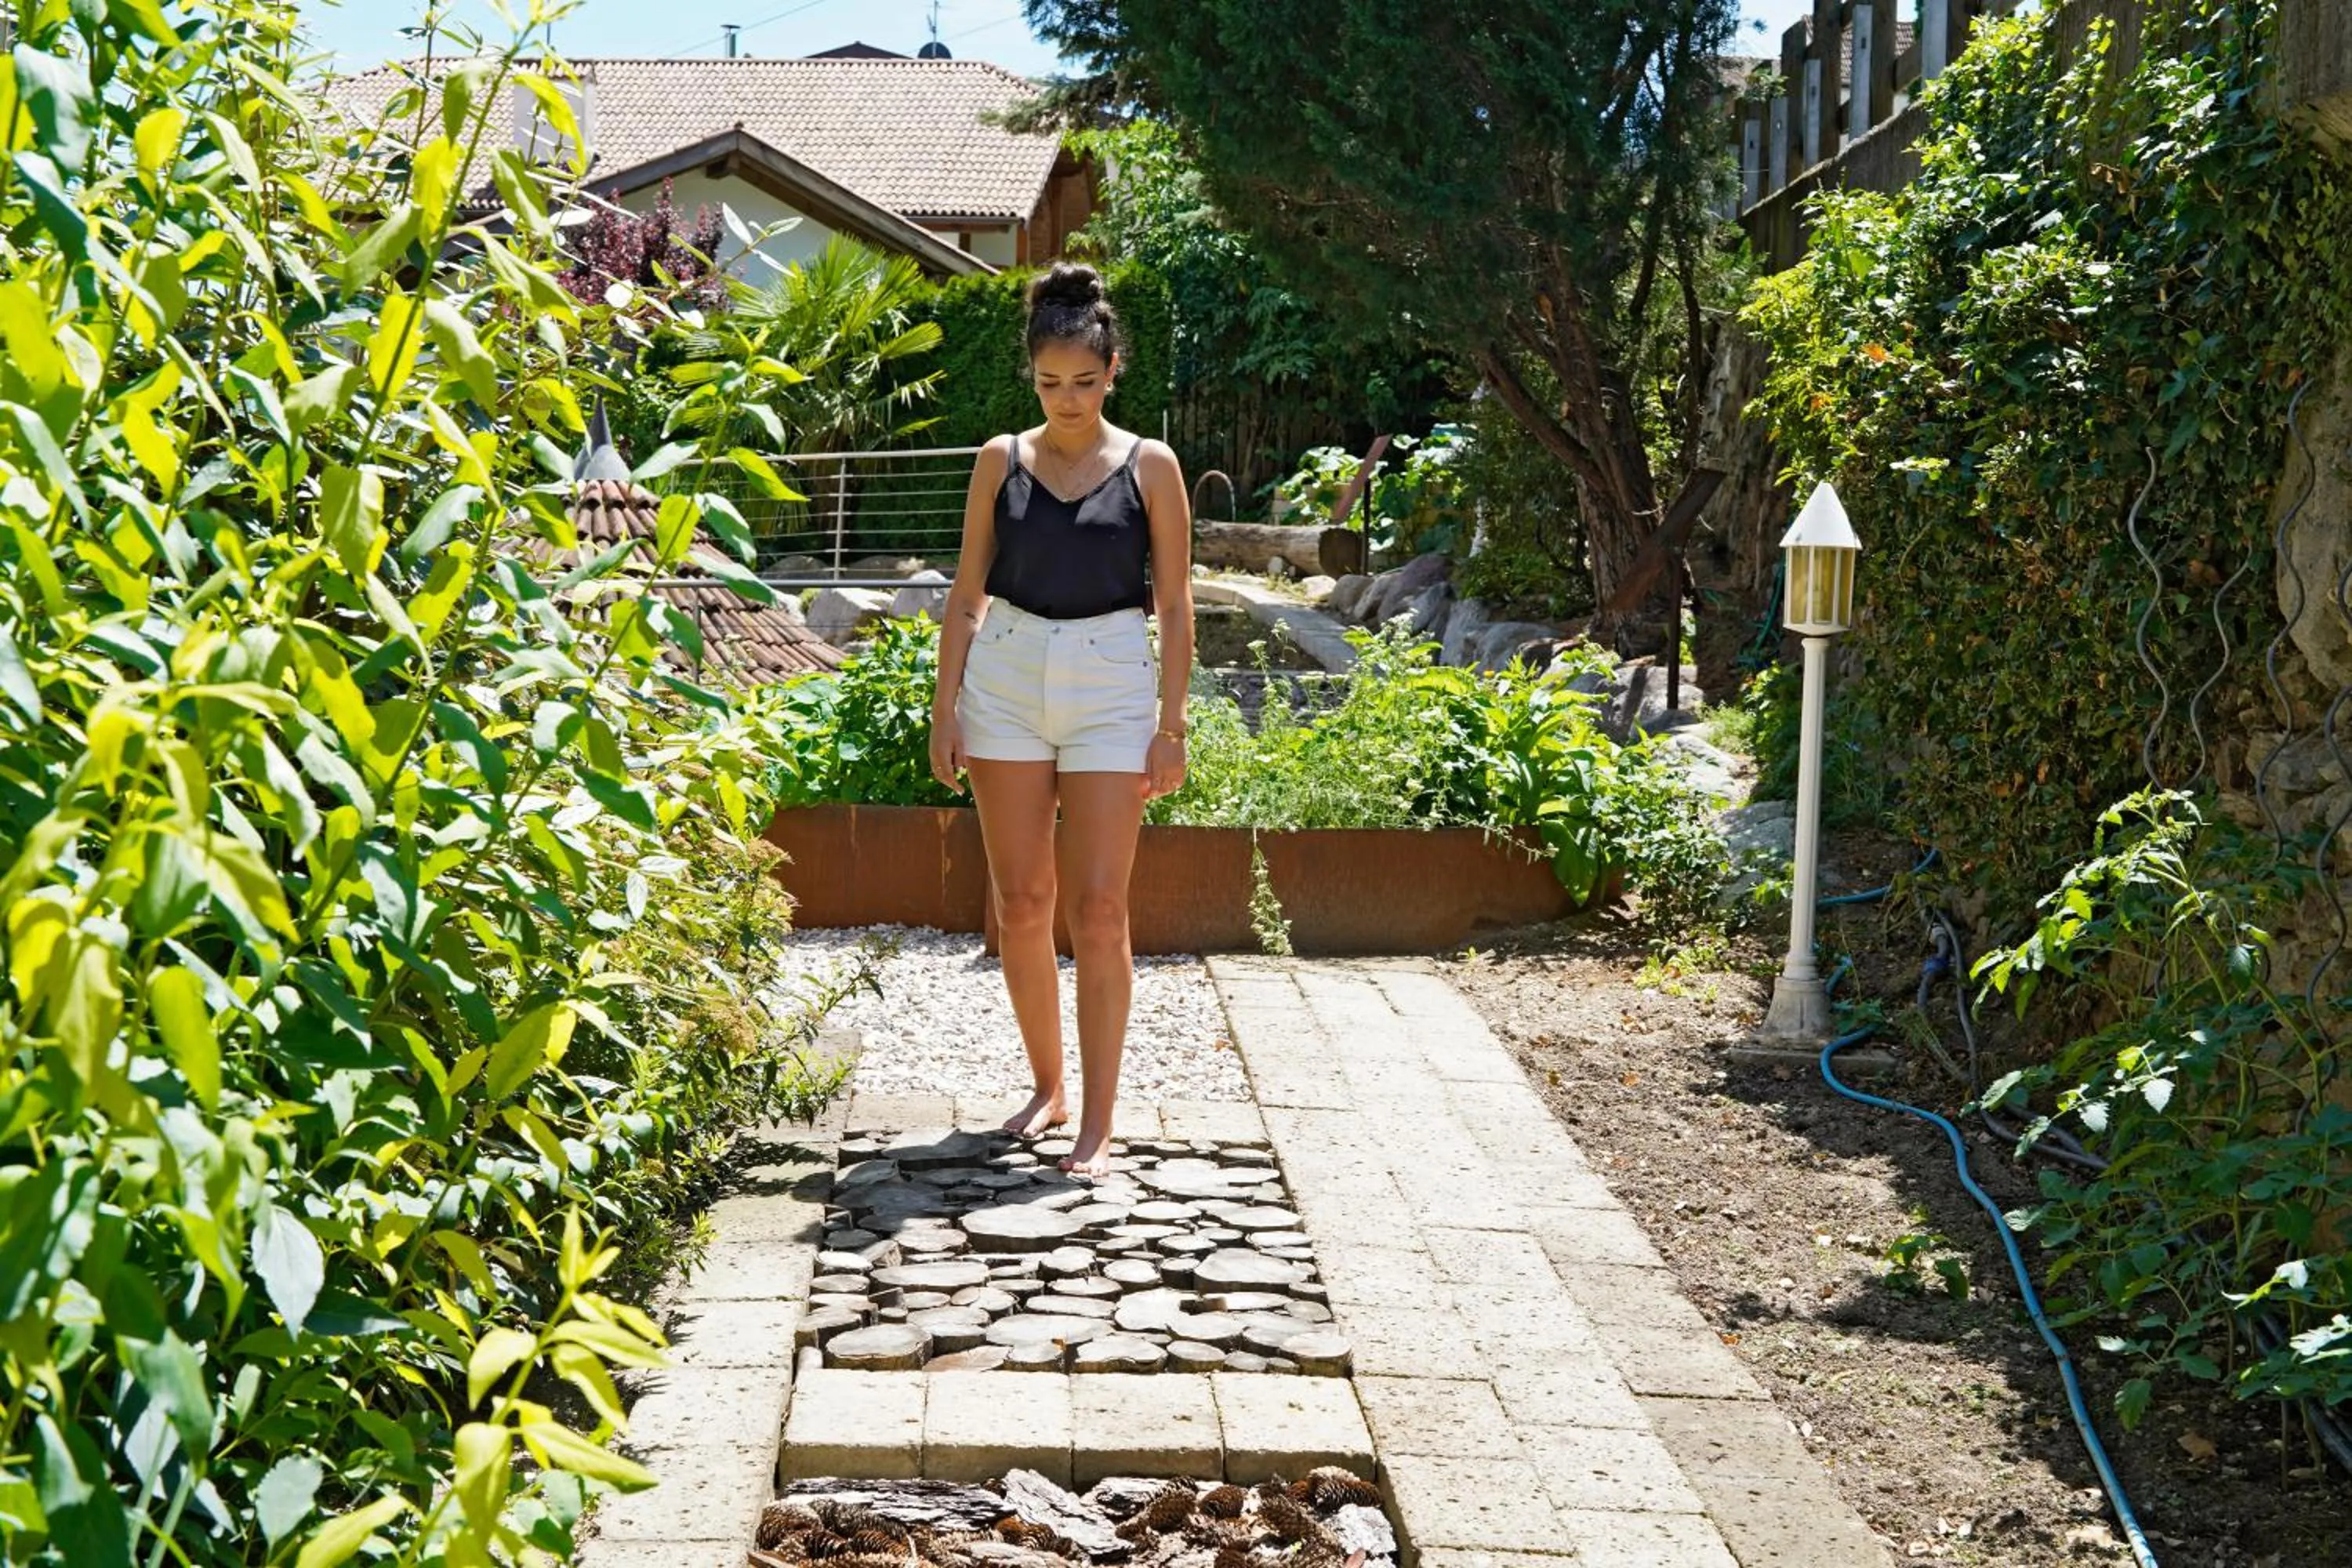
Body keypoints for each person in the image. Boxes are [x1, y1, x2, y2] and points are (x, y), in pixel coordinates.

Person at [927, 262, 1196, 1178]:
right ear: (1031, 376)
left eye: (1085, 380)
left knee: (1100, 905)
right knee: (1023, 902)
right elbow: (966, 594)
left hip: (1114, 682)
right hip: (1004, 679)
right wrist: (944, 709)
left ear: (1113, 369)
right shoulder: (999, 460)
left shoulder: (1151, 466)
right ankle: (1049, 1088)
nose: (1068, 398)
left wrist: (1173, 724)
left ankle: (1100, 1121)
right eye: (1050, 382)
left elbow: (1178, 604)